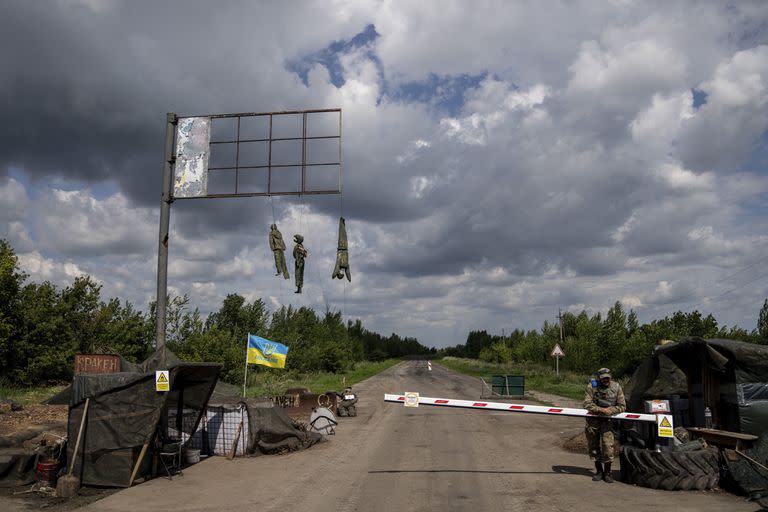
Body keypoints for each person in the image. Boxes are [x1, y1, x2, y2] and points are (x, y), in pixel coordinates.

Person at [583, 367, 625, 483]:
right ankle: (599, 471)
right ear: (599, 378)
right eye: (603, 378)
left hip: (608, 422)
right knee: (594, 447)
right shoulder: (592, 386)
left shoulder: (616, 387)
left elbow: (622, 406)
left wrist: (612, 410)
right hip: (593, 422)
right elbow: (586, 404)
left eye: (607, 378)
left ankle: (608, 472)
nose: (606, 380)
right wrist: (601, 410)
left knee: (608, 447)